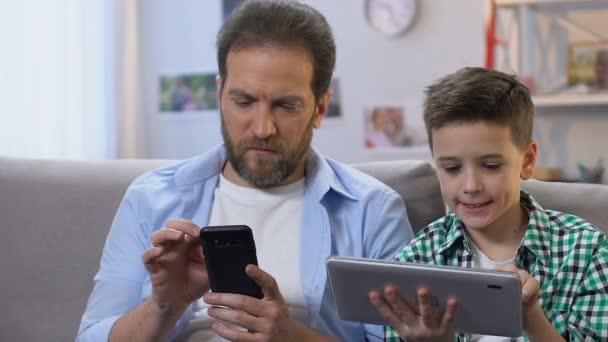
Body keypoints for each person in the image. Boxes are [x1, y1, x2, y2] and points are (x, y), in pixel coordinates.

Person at [77, 1, 413, 341]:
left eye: (285, 105)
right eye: (244, 101)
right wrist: (164, 306)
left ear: (320, 108)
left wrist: (292, 337)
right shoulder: (149, 198)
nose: (263, 127)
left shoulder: (372, 211)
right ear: (220, 93)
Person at [369, 67, 608, 341]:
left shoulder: (585, 250)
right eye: (452, 168)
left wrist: (531, 318)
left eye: (491, 166)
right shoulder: (418, 258)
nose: (471, 186)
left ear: (527, 160)